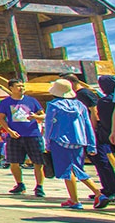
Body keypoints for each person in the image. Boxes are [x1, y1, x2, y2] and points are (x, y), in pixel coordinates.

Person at [44, 79, 108, 210]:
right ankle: (94, 194)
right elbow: (87, 125)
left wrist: (47, 143)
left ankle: (79, 199)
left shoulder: (53, 105)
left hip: (59, 141)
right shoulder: (80, 105)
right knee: (77, 169)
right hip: (78, 141)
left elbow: (49, 125)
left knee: (66, 171)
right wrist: (91, 144)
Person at [0, 78, 46, 198]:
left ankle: (39, 186)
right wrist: (9, 131)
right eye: (18, 86)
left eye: (22, 86)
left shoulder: (32, 100)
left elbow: (43, 115)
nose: (21, 88)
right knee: (14, 162)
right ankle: (19, 184)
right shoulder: (5, 102)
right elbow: (1, 118)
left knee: (38, 162)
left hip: (33, 134)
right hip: (15, 136)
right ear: (11, 88)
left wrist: (36, 117)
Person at [93, 76, 115, 204]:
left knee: (103, 163)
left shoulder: (104, 101)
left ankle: (113, 190)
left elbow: (104, 119)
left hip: (113, 136)